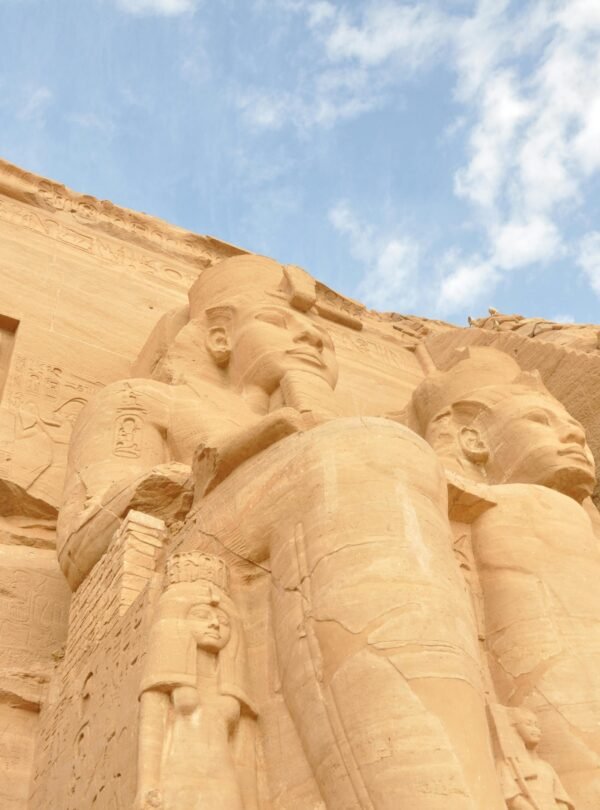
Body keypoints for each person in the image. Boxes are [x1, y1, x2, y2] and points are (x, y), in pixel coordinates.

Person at [58, 255, 505, 809]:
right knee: (355, 455)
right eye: (280, 322)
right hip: (197, 546)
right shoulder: (144, 401)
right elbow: (80, 544)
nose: (312, 339)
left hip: (307, 501)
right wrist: (221, 459)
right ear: (220, 336)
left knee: (521, 512)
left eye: (323, 337)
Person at [412, 346, 600, 809]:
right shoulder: (522, 508)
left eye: (578, 430)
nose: (576, 436)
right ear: (473, 441)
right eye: (540, 421)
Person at [135, 552, 257, 810]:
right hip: (177, 778)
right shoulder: (165, 680)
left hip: (226, 784)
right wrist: (147, 786)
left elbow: (246, 756)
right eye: (202, 615)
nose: (214, 624)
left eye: (222, 620)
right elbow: (152, 732)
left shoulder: (232, 689)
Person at [498, 708, 574, 810]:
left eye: (537, 726)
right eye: (528, 724)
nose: (535, 730)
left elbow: (561, 798)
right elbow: (512, 797)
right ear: (515, 729)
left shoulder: (546, 767)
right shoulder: (508, 764)